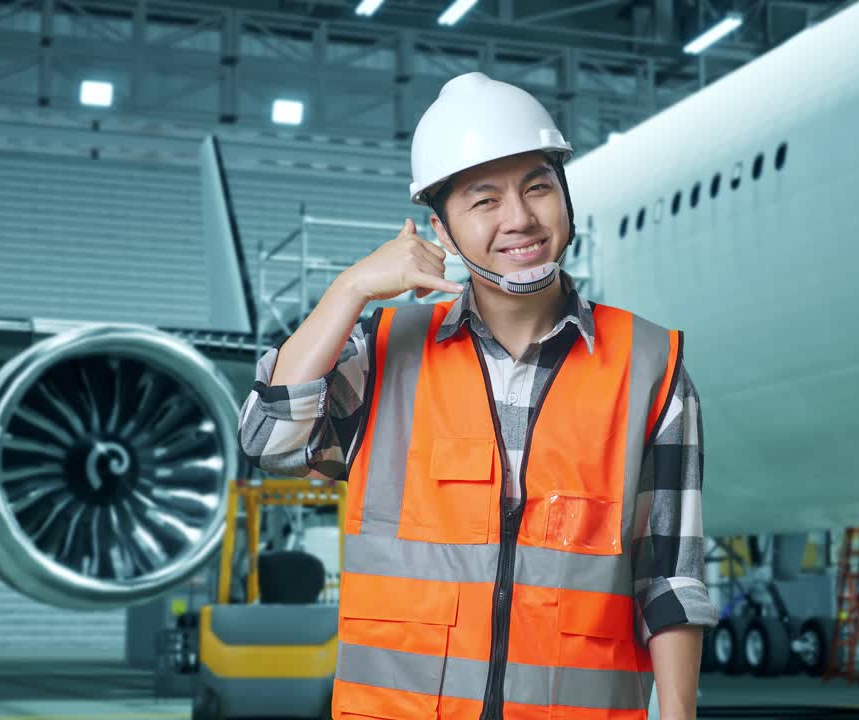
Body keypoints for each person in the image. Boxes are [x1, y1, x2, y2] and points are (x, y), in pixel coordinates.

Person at [238, 72, 716, 720]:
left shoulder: (651, 367)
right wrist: (348, 290)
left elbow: (671, 577)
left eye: (538, 188)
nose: (519, 219)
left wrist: (680, 715)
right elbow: (268, 439)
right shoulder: (383, 355)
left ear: (567, 199)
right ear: (442, 227)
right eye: (484, 201)